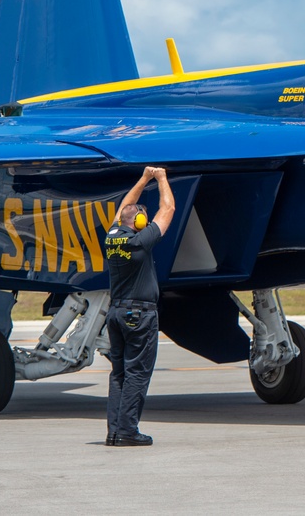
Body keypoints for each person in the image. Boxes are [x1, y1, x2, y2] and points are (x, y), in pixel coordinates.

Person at [104, 166, 175, 447]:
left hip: (116, 313)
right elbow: (167, 208)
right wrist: (162, 179)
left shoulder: (112, 237)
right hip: (139, 316)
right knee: (137, 374)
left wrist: (143, 178)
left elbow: (124, 208)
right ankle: (128, 431)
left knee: (119, 373)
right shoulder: (140, 241)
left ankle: (114, 431)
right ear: (142, 222)